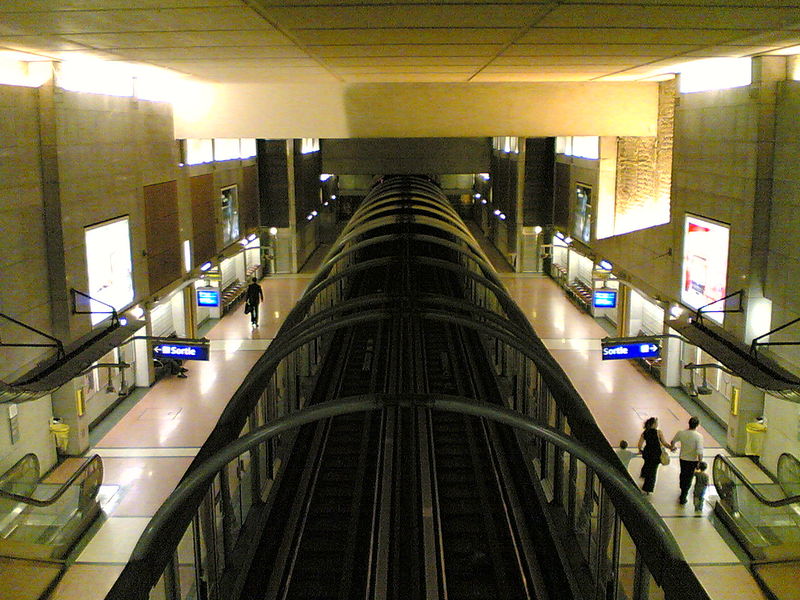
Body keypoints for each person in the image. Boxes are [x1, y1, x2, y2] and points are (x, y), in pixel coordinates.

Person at [671, 416, 704, 504]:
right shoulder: (699, 437)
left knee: (683, 474)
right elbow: (700, 451)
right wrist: (700, 462)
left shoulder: (681, 433)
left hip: (683, 458)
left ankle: (682, 489)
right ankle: (684, 494)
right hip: (693, 460)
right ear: (697, 425)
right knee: (689, 477)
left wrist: (673, 447)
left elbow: (673, 441)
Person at [637, 417, 670, 495]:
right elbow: (664, 443)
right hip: (656, 454)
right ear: (654, 424)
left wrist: (640, 450)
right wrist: (671, 447)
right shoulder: (659, 432)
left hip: (647, 453)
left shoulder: (645, 432)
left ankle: (644, 475)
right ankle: (648, 488)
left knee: (648, 467)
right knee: (653, 472)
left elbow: (639, 444)